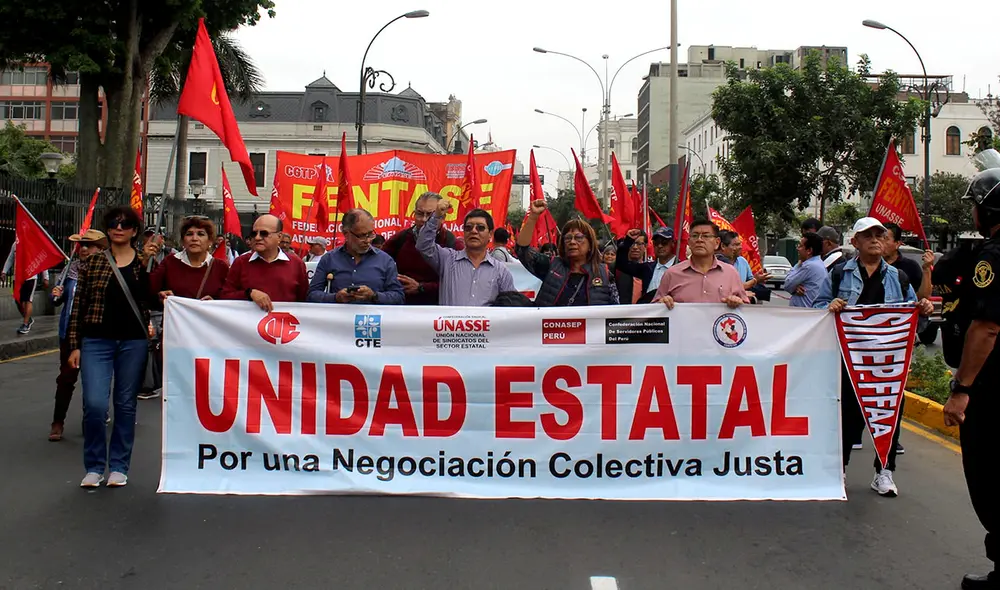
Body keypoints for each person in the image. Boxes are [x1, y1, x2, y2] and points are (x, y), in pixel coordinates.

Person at [813, 217, 933, 498]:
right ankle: (839, 470)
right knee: (847, 416)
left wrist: (922, 309)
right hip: (850, 360)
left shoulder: (898, 277)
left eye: (880, 234)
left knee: (889, 416)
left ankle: (884, 472)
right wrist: (830, 307)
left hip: (886, 364)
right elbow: (817, 309)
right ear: (855, 242)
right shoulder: (839, 274)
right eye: (868, 235)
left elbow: (910, 316)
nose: (875, 240)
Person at [67, 207, 160, 488]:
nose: (119, 228)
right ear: (108, 229)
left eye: (125, 224)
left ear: (134, 231)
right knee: (95, 404)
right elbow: (78, 306)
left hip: (133, 341)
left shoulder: (145, 263)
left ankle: (119, 465)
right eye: (114, 224)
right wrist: (75, 345)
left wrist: (151, 264)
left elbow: (153, 299)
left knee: (125, 404)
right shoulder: (93, 262)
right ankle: (94, 466)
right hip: (96, 340)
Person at [941, 166, 1000, 590]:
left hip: (994, 391)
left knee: (991, 478)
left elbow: (987, 328)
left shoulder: (994, 256)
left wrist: (962, 389)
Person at [48, 229, 107, 442]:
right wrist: (56, 295)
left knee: (94, 380)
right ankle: (57, 421)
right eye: (81, 245)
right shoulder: (69, 271)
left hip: (95, 334)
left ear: (101, 249)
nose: (83, 249)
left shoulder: (105, 271)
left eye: (89, 245)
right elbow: (59, 300)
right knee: (66, 378)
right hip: (69, 334)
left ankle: (92, 420)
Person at [415, 194, 515, 306]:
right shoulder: (447, 259)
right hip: (450, 323)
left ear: (490, 234)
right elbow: (423, 245)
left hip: (486, 324)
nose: (474, 231)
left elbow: (510, 307)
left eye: (480, 228)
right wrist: (436, 215)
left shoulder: (501, 271)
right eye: (468, 227)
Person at [515, 199, 618, 306]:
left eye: (578, 238)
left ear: (590, 245)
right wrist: (533, 217)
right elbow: (522, 250)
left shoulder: (605, 274)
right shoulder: (551, 266)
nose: (572, 242)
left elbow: (615, 313)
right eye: (568, 238)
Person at [307, 208, 405, 305]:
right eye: (361, 236)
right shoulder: (329, 259)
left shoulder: (385, 261)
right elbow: (312, 295)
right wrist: (336, 297)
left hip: (373, 319)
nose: (367, 241)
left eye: (371, 234)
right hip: (338, 319)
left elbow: (399, 297)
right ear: (346, 233)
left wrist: (374, 296)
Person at [383, 192, 462, 305]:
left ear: (442, 217)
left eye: (430, 215)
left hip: (437, 310)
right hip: (403, 308)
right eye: (420, 214)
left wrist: (422, 287)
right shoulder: (400, 239)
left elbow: (459, 282)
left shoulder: (452, 243)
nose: (424, 219)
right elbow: (381, 267)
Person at [221, 214, 309, 311]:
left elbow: (304, 301)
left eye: (264, 233)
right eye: (254, 233)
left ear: (279, 237)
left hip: (285, 324)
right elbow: (225, 296)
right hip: (247, 324)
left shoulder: (296, 264)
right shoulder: (241, 262)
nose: (257, 238)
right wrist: (249, 294)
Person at [654, 219, 749, 309]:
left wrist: (737, 302)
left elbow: (747, 310)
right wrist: (661, 303)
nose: (699, 240)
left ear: (717, 243)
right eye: (695, 236)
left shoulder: (731, 273)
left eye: (706, 236)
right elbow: (653, 310)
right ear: (689, 242)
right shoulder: (672, 273)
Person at [2, 243, 51, 334]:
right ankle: (28, 318)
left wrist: (46, 277)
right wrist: (4, 271)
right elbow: (10, 258)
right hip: (17, 278)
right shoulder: (15, 244)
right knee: (18, 300)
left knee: (28, 300)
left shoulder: (34, 242)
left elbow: (41, 259)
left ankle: (25, 324)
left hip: (30, 277)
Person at [883, 222, 933, 300]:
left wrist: (927, 269)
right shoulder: (870, 266)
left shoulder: (911, 266)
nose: (879, 243)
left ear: (897, 244)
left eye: (885, 239)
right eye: (879, 238)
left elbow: (922, 297)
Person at [718, 230, 770, 300]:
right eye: (735, 245)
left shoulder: (743, 261)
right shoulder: (716, 263)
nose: (740, 247)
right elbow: (729, 288)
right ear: (723, 246)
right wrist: (755, 280)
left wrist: (758, 279)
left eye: (740, 244)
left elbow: (750, 281)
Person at [783, 232, 827, 308]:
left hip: (804, 313)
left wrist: (798, 264)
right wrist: (795, 288)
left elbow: (787, 284)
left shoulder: (808, 266)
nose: (797, 249)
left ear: (809, 250)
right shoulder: (819, 263)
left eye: (800, 246)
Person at [612, 229, 648, 304]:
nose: (635, 247)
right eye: (632, 243)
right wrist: (628, 240)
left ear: (645, 246)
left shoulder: (649, 269)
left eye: (639, 243)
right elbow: (621, 262)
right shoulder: (619, 269)